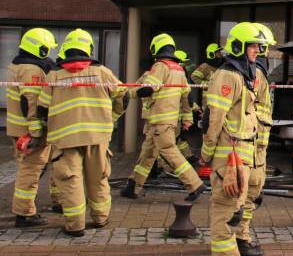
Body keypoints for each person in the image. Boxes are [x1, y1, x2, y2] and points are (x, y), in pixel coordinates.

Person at [37, 29, 128, 236]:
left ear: (66, 49)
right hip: (97, 137)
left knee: (71, 182)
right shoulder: (102, 72)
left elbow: (42, 108)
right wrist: (113, 117)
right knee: (98, 178)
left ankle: (75, 225)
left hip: (65, 139)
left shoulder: (54, 76)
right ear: (89, 49)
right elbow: (124, 96)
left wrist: (46, 128)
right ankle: (100, 218)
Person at [201, 22, 267, 256]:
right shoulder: (227, 75)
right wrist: (206, 154)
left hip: (241, 153)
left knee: (234, 211)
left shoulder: (243, 74)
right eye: (253, 46)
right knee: (226, 213)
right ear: (239, 46)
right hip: (229, 155)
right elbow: (213, 119)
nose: (257, 51)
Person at [120, 34, 203, 201]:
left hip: (160, 120)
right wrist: (188, 118)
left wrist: (128, 93)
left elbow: (148, 89)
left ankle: (195, 184)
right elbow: (187, 97)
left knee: (169, 151)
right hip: (167, 121)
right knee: (148, 153)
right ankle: (133, 186)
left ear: (155, 48)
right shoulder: (178, 69)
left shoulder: (160, 66)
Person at [6, 28, 60, 227]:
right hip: (29, 131)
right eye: (47, 49)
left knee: (28, 168)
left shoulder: (16, 65)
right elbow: (31, 102)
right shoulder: (33, 70)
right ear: (40, 48)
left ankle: (27, 206)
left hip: (17, 128)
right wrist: (36, 132)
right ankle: (25, 214)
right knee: (30, 171)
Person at [233, 22, 276, 256]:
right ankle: (237, 239)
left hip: (258, 144)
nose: (260, 51)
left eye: (261, 47)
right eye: (259, 46)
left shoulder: (258, 73)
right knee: (243, 194)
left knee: (254, 190)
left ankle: (242, 236)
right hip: (248, 142)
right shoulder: (252, 74)